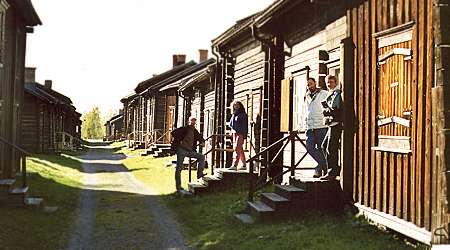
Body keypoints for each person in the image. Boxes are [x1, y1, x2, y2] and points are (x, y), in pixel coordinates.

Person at [171, 116, 206, 193]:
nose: (193, 122)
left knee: (201, 157)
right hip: (182, 150)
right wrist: (178, 141)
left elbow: (200, 138)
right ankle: (178, 187)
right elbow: (173, 133)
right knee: (179, 168)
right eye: (191, 121)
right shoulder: (184, 129)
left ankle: (200, 175)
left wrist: (202, 142)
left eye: (194, 121)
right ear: (188, 122)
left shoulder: (195, 131)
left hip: (189, 151)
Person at [304, 78, 328, 178]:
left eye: (311, 84)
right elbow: (305, 111)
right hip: (310, 127)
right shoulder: (307, 96)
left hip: (321, 126)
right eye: (308, 84)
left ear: (315, 83)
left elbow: (327, 108)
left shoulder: (323, 93)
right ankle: (325, 166)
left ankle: (319, 169)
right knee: (309, 148)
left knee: (322, 149)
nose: (310, 86)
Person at [321, 75, 343, 180]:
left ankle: (332, 172)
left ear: (335, 82)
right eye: (327, 82)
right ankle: (333, 169)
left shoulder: (337, 93)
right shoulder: (331, 93)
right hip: (331, 124)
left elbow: (335, 109)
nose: (329, 84)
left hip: (336, 124)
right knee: (324, 146)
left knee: (331, 148)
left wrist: (326, 110)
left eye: (331, 82)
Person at [228, 101, 248, 171]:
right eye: (234, 105)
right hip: (234, 133)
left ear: (240, 105)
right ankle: (244, 165)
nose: (236, 106)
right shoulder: (234, 114)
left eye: (237, 105)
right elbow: (231, 124)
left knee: (237, 148)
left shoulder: (243, 114)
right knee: (240, 149)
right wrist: (231, 131)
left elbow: (244, 125)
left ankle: (235, 165)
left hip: (240, 133)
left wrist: (244, 135)